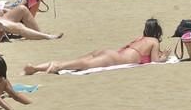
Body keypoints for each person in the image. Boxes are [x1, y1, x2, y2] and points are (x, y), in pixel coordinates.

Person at [23, 18, 169, 75]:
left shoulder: (140, 38)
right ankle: (56, 67)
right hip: (115, 59)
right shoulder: (154, 42)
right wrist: (165, 57)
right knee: (83, 65)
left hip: (111, 52)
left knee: (75, 62)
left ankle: (36, 67)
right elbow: (155, 61)